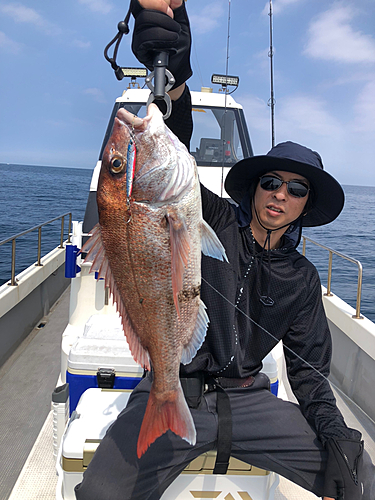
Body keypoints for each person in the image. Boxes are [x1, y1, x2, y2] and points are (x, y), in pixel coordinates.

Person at [75, 1, 375, 499]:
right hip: (170, 387)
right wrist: (173, 61)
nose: (281, 194)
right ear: (255, 187)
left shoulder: (300, 279)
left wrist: (339, 438)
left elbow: (310, 376)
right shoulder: (207, 216)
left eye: (296, 190)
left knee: (360, 477)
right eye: (272, 181)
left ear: (305, 206)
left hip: (249, 401)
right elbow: (175, 138)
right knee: (98, 493)